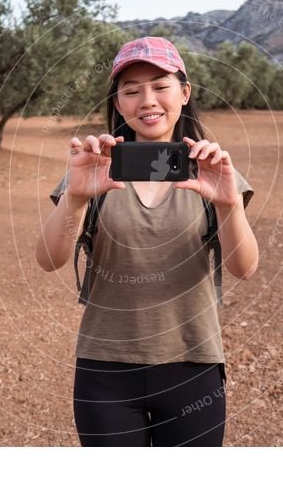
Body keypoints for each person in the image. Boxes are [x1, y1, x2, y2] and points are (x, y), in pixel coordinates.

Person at [35, 36, 259, 446]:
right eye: (132, 90)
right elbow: (49, 259)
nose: (147, 100)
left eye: (160, 86)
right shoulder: (94, 171)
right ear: (118, 104)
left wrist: (229, 205)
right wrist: (77, 196)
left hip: (193, 364)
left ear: (184, 92)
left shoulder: (213, 172)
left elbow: (244, 268)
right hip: (105, 371)